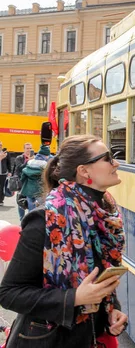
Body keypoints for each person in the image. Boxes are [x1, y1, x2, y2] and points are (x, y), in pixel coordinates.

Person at [0, 135, 128, 347]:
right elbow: (9, 293)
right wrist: (74, 298)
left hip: (91, 337)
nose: (116, 163)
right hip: (50, 340)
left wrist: (112, 311)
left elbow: (96, 280)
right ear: (84, 171)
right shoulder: (45, 220)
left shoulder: (104, 216)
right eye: (108, 158)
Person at [20, 144, 53, 211]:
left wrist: (24, 186)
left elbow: (23, 177)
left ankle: (30, 221)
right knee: (41, 210)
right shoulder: (45, 165)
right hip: (40, 190)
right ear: (46, 155)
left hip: (29, 191)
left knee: (31, 210)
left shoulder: (30, 162)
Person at [12, 142, 33, 220]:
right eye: (27, 148)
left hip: (31, 183)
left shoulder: (34, 158)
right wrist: (28, 161)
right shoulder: (19, 158)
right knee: (21, 201)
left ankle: (29, 219)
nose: (29, 150)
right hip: (21, 182)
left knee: (30, 201)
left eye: (30, 148)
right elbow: (19, 168)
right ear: (24, 149)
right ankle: (22, 219)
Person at [0, 142, 12, 206]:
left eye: (1, 145)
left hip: (3, 173)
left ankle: (1, 200)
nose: (0, 146)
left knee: (2, 187)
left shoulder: (6, 153)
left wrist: (9, 171)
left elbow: (9, 163)